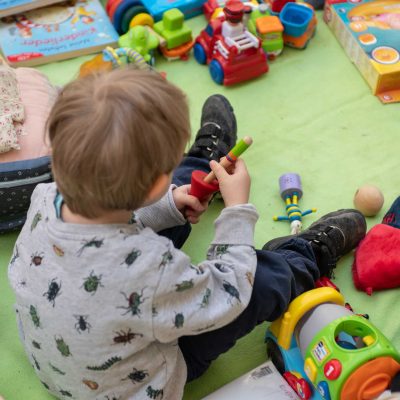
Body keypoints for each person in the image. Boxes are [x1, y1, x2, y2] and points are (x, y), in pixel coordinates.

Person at [8, 67, 367, 400]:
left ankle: (201, 163)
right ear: (151, 182)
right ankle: (303, 254)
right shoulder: (153, 267)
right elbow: (229, 292)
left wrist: (167, 205)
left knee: (173, 194)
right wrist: (236, 210)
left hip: (65, 370)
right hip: (144, 383)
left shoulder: (45, 196)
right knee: (260, 279)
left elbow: (107, 242)